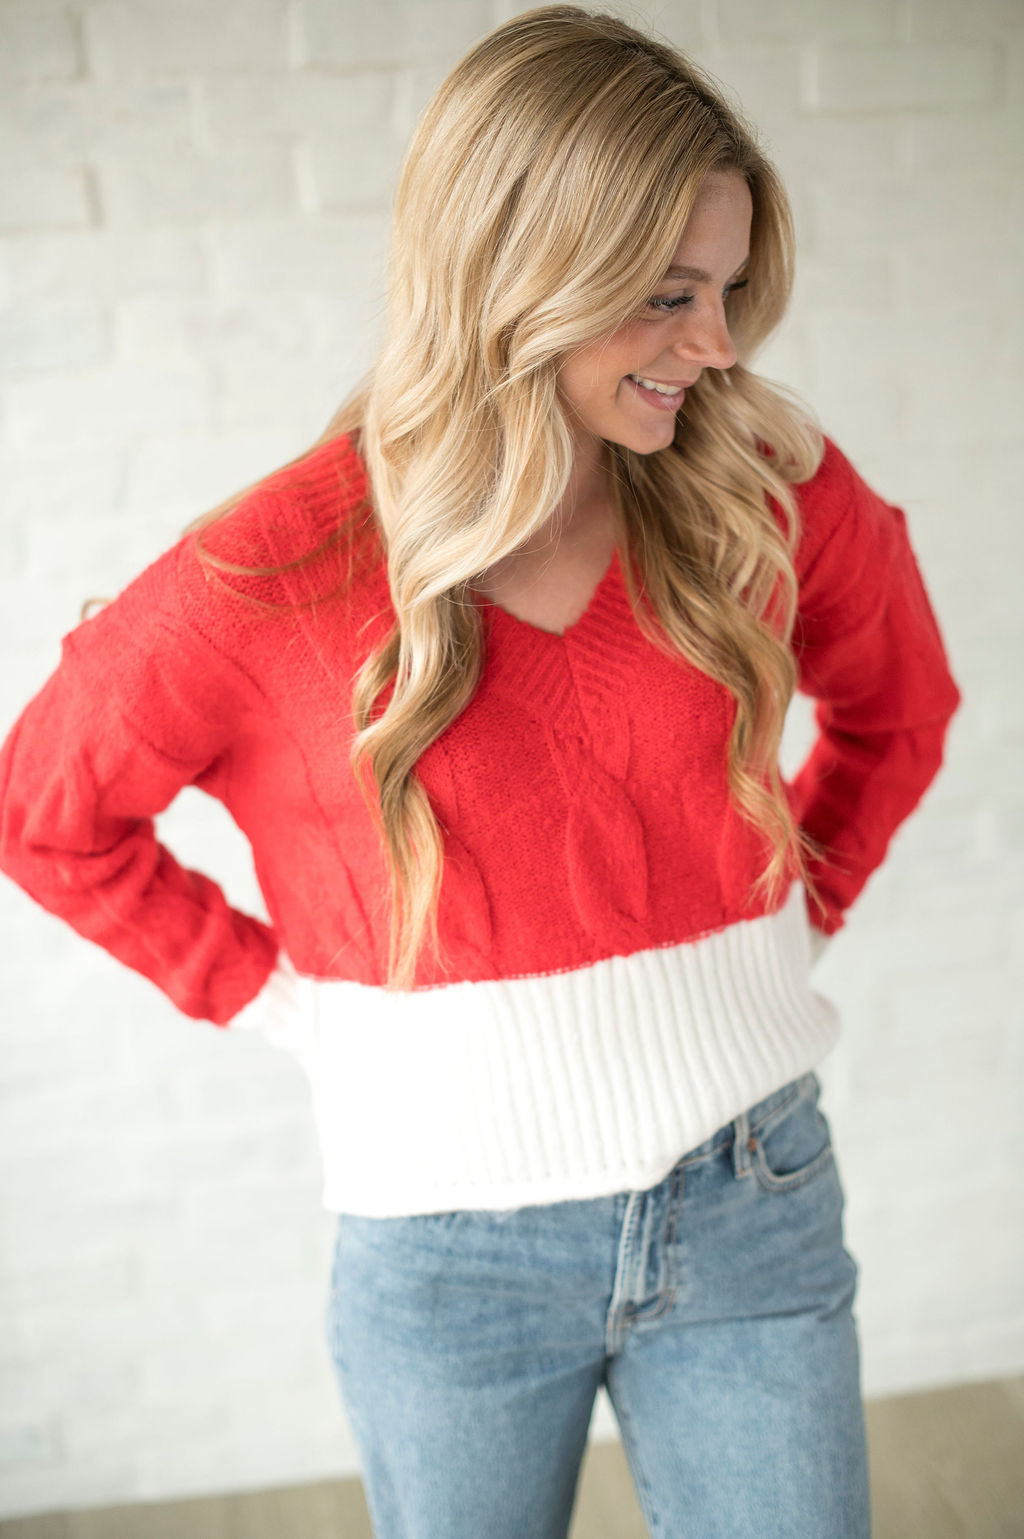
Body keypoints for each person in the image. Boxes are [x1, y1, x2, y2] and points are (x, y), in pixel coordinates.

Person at [0, 6, 962, 1537]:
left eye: (726, 292)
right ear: (521, 277)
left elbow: (901, 709)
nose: (718, 347)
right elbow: (45, 817)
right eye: (667, 296)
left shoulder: (763, 487)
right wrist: (275, 1001)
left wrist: (802, 907)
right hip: (447, 1260)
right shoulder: (271, 572)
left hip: (752, 1199)